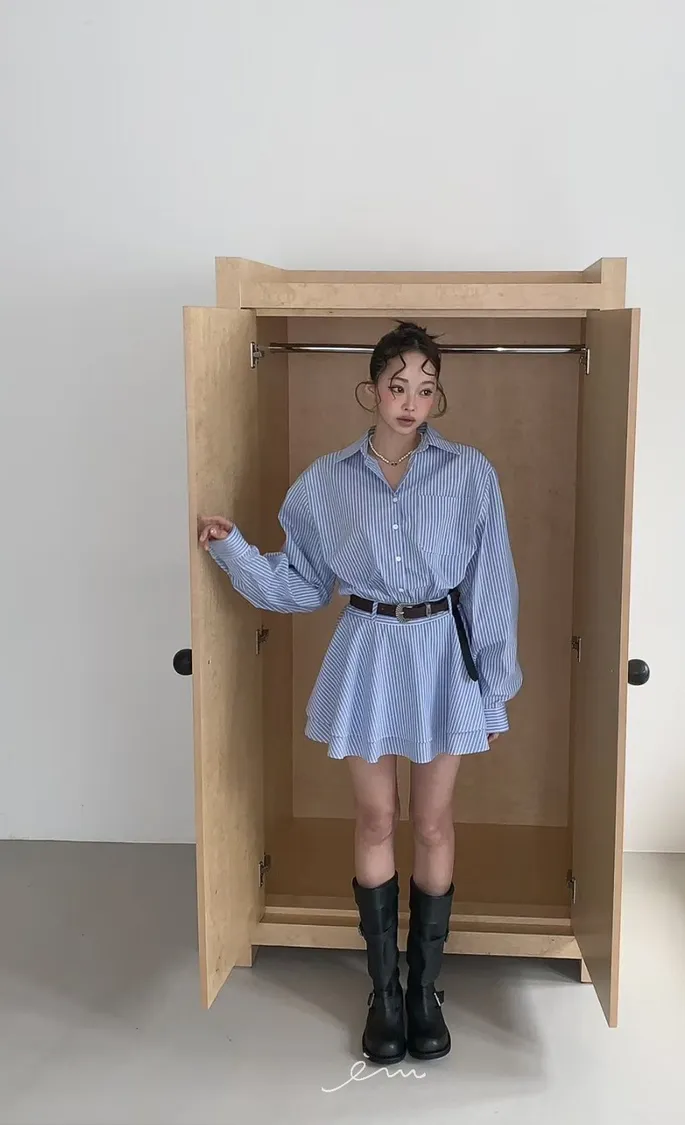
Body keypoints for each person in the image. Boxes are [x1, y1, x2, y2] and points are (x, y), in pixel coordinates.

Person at [197, 321, 522, 1065]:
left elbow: (492, 585)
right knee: (377, 817)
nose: (411, 401)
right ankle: (384, 991)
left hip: (443, 652)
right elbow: (304, 583)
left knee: (432, 822)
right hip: (368, 650)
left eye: (426, 389)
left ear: (438, 397)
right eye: (397, 386)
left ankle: (424, 990)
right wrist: (234, 550)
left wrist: (494, 687)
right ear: (371, 389)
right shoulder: (326, 480)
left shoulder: (470, 473)